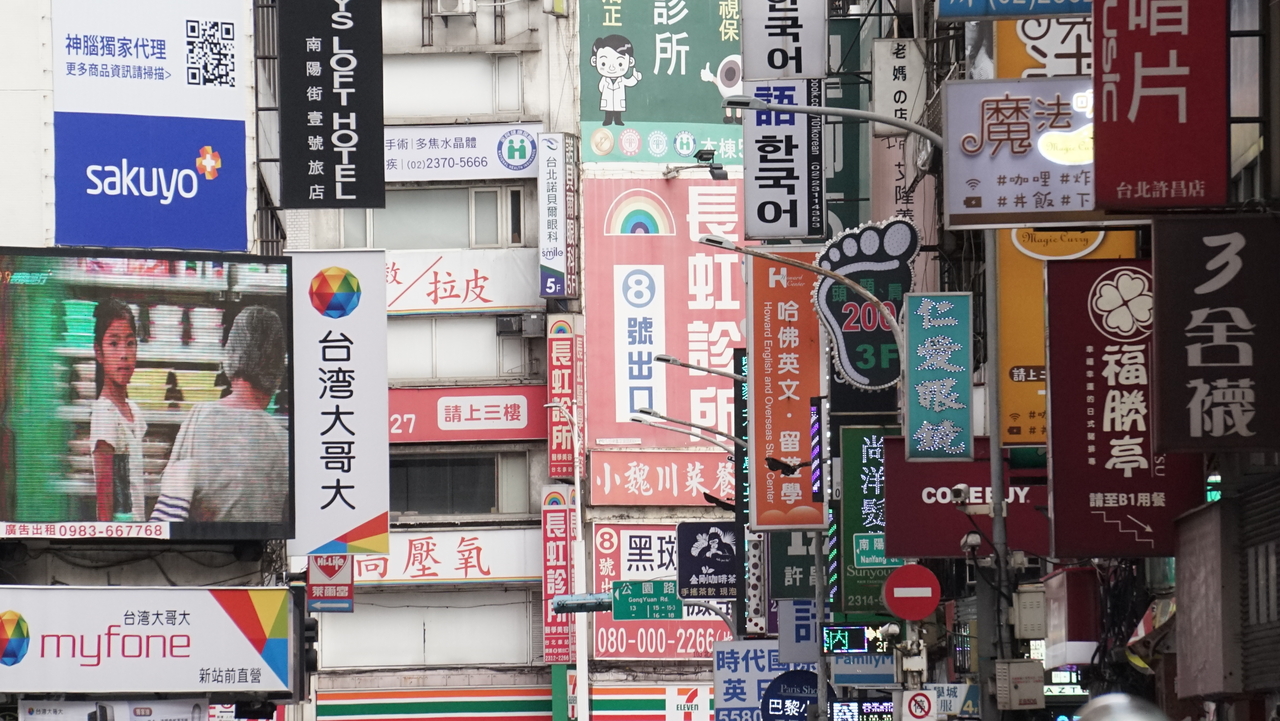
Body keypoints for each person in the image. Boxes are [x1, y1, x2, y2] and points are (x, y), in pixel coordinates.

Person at [151, 306, 288, 523]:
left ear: (231, 355)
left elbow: (173, 501)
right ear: (278, 366)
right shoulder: (282, 441)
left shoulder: (198, 418)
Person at [89, 299, 146, 522]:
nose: (124, 354)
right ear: (99, 352)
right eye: (113, 344)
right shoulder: (105, 415)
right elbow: (105, 505)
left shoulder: (133, 410)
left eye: (130, 343)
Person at [589, 35, 641, 126]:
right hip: (608, 98)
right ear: (594, 61)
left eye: (620, 64)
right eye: (604, 63)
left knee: (618, 111)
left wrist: (635, 77)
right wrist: (605, 91)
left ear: (630, 62)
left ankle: (618, 121)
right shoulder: (605, 79)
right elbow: (601, 87)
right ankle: (608, 121)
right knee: (608, 111)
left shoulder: (621, 79)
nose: (612, 68)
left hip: (618, 99)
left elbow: (629, 82)